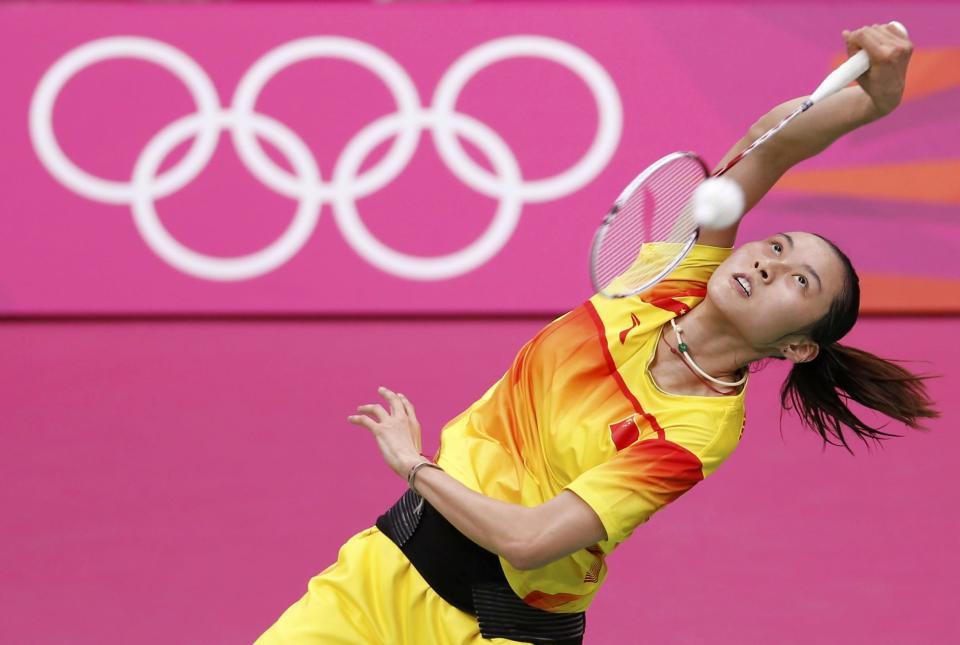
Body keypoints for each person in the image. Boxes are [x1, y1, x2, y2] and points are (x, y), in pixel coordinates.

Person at [256, 24, 936, 644]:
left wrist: (413, 463)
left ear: (797, 347)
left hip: (496, 627)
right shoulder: (666, 276)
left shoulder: (693, 433)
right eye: (777, 245)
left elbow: (531, 541)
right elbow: (770, 146)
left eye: (799, 281)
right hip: (380, 574)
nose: (768, 260)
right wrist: (871, 101)